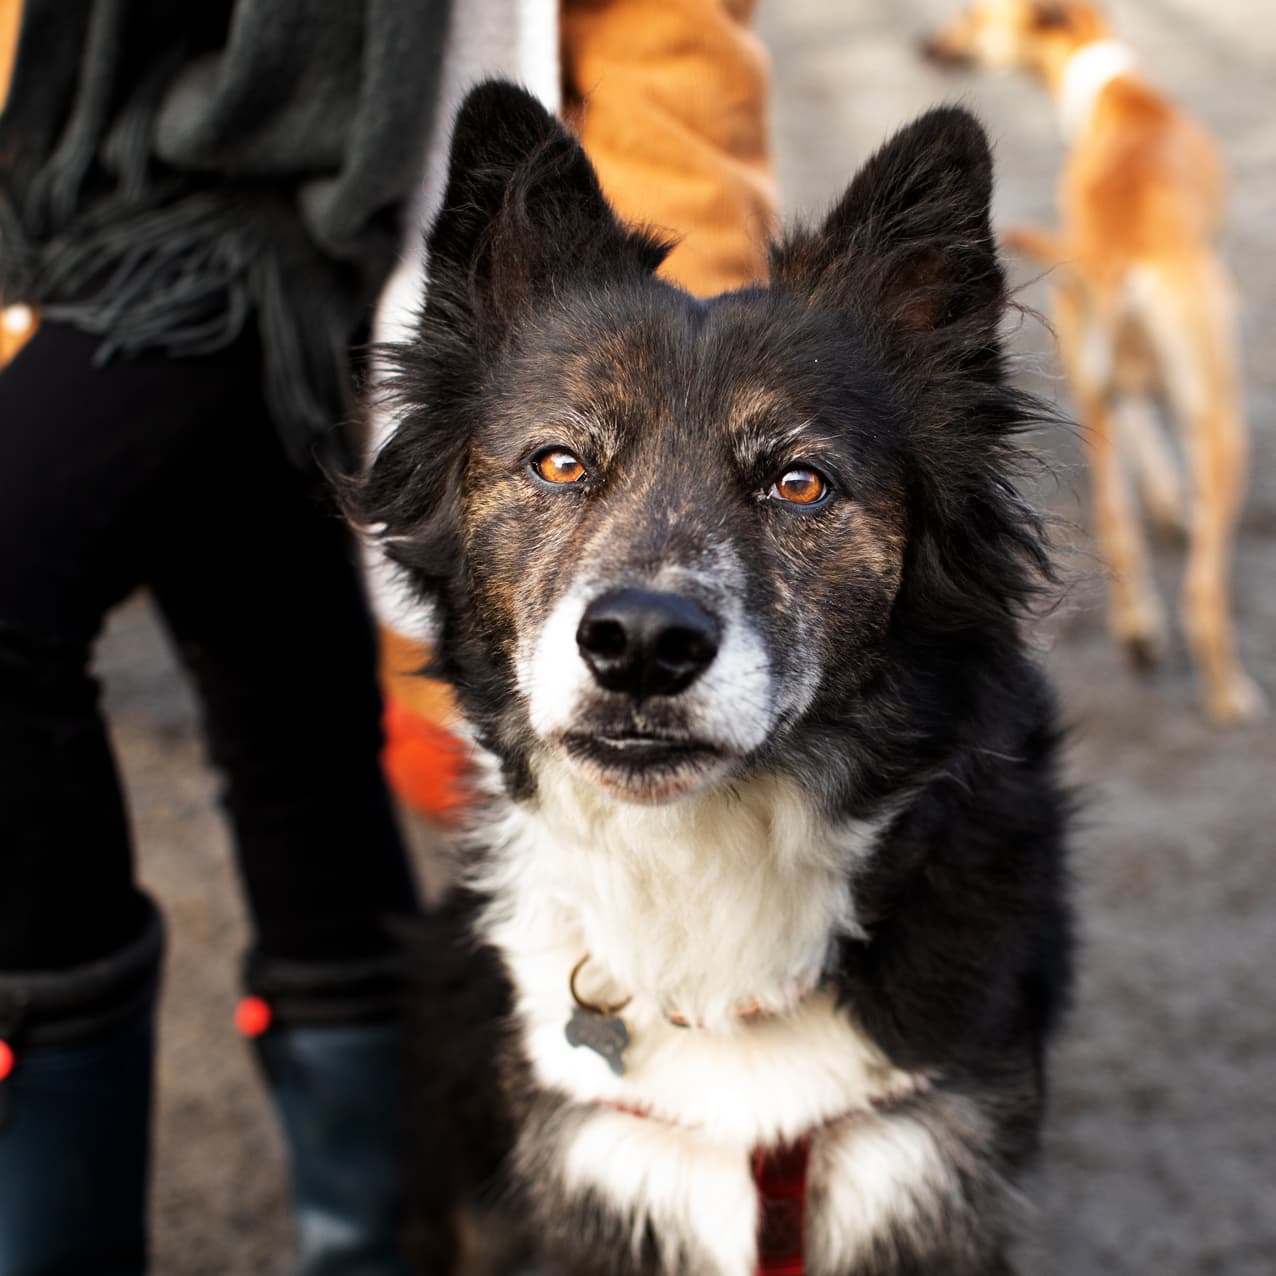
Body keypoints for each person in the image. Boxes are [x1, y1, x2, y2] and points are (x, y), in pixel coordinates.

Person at [0, 1, 775, 1273]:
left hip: (414, 233)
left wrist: (668, 400)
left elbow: (666, 37)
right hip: (107, 197)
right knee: (282, 699)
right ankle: (383, 1234)